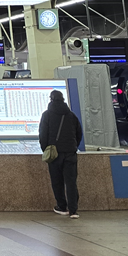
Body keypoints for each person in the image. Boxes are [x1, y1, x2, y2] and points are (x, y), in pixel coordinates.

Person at [39, 89, 84, 219]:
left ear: (51, 99)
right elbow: (78, 133)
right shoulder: (71, 115)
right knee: (71, 181)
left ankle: (61, 206)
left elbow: (43, 134)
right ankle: (73, 210)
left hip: (55, 153)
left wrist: (46, 149)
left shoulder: (47, 115)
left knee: (57, 181)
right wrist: (73, 147)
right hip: (70, 152)